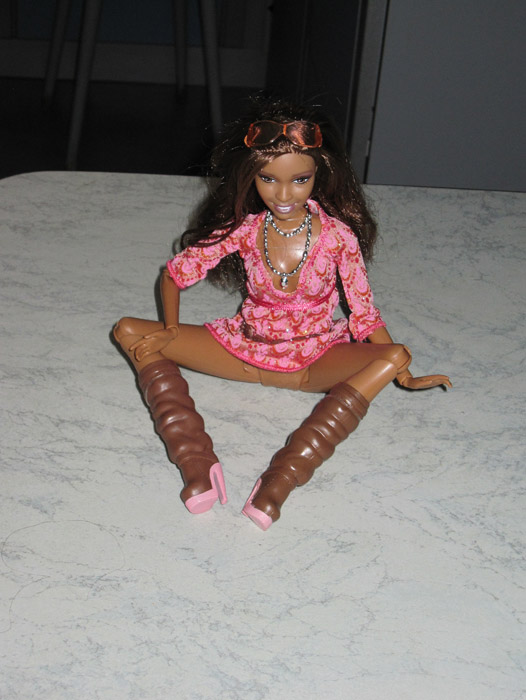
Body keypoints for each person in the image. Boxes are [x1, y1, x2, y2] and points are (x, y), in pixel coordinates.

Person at [113, 98, 451, 531]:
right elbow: (176, 273)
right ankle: (196, 463)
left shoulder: (337, 238)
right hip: (242, 350)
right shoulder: (246, 229)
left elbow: (364, 314)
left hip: (313, 362)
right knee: (128, 330)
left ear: (319, 175)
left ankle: (281, 480)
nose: (284, 194)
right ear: (251, 176)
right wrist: (171, 329)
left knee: (395, 354)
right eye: (268, 179)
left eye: (300, 179)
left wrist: (402, 374)